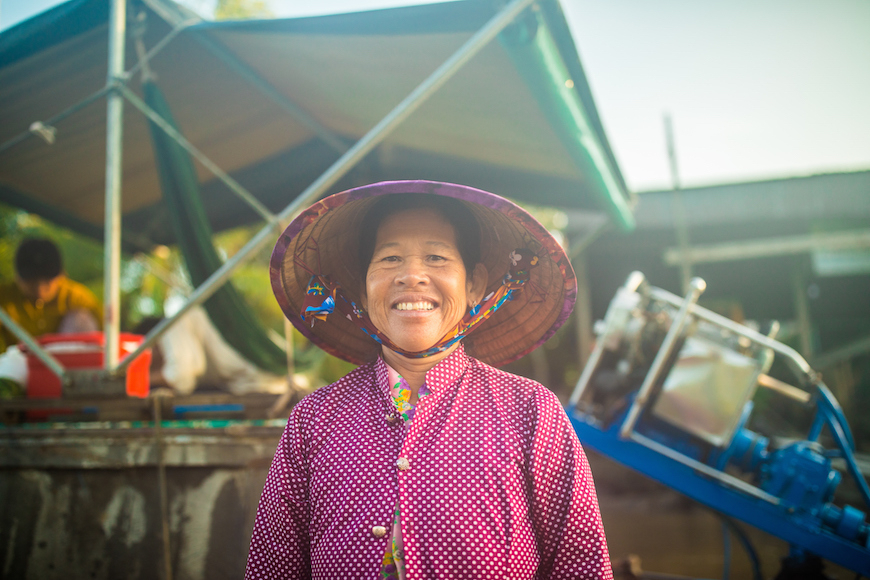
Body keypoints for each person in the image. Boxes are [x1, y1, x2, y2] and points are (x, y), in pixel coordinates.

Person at [246, 181, 611, 579]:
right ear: (363, 290)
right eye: (389, 259)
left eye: (436, 257)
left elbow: (582, 565)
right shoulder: (314, 421)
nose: (412, 276)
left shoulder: (530, 411)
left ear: (474, 285)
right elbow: (271, 567)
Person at [135, 306, 289, 396]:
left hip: (270, 372)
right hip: (275, 376)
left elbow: (181, 375)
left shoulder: (170, 326)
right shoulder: (192, 318)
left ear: (151, 342)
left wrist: (139, 380)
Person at [0, 237, 101, 354]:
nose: (39, 290)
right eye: (31, 282)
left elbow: (106, 340)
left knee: (82, 318)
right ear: (16, 277)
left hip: (64, 366)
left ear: (62, 275)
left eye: (47, 282)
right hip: (19, 366)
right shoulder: (4, 297)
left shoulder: (78, 299)